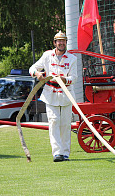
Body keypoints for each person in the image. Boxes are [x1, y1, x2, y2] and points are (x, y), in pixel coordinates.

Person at [29, 31, 77, 162]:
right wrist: (37, 74)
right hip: (50, 94)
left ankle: (65, 153)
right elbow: (32, 68)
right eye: (59, 41)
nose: (61, 43)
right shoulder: (47, 56)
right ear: (55, 43)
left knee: (66, 124)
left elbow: (74, 77)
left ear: (66, 42)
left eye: (63, 41)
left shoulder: (72, 58)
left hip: (66, 94)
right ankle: (57, 153)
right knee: (54, 121)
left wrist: (64, 79)